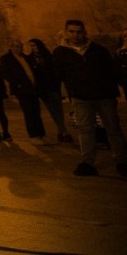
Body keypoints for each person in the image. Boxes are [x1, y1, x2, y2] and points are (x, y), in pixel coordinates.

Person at [51, 20, 127, 177]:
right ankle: (87, 162)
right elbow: (58, 73)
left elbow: (111, 70)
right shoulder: (60, 52)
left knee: (113, 129)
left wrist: (113, 90)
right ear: (66, 32)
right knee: (85, 130)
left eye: (79, 31)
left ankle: (122, 161)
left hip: (104, 96)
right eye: (71, 31)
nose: (75, 35)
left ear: (84, 32)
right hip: (81, 98)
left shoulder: (98, 50)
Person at [0, 40, 46, 141]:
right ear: (11, 47)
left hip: (32, 88)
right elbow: (5, 73)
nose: (18, 48)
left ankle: (41, 133)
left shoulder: (25, 57)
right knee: (28, 112)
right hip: (22, 90)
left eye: (19, 46)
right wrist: (17, 84)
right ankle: (33, 135)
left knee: (36, 111)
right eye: (15, 46)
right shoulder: (6, 58)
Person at [27, 38, 72, 142]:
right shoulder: (30, 59)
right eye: (31, 46)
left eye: (34, 45)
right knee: (52, 110)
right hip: (42, 89)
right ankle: (63, 131)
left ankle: (61, 130)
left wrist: (57, 82)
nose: (32, 48)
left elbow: (55, 70)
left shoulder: (48, 56)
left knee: (58, 109)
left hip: (53, 86)